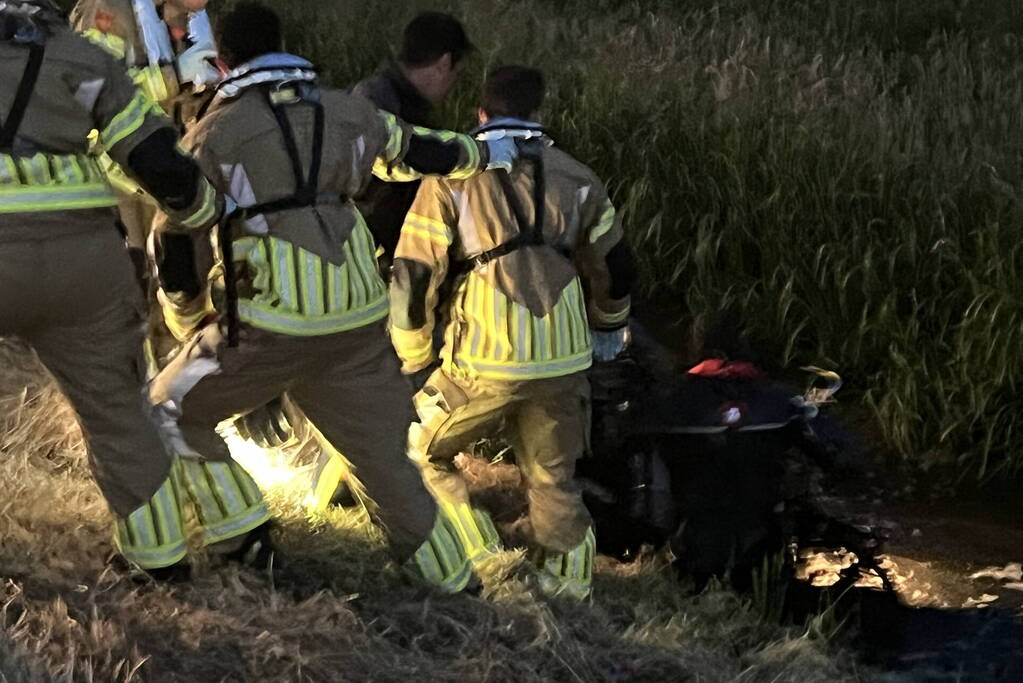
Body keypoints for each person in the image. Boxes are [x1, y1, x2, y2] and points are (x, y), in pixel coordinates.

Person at [148, 2, 518, 593]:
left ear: (222, 62)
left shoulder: (213, 133)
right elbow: (421, 151)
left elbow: (173, 236)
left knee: (165, 411)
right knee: (384, 465)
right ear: (283, 45)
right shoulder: (348, 111)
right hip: (357, 322)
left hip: (269, 321)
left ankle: (244, 538)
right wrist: (491, 152)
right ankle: (454, 584)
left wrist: (186, 316)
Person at [0, 0, 257, 580]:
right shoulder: (81, 55)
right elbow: (158, 160)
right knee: (118, 413)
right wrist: (206, 212)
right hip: (83, 259)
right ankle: (158, 558)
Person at [390, 66, 636, 599]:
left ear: (481, 113)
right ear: (537, 112)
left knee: (416, 449)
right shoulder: (579, 177)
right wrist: (609, 326)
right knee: (553, 478)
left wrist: (414, 356)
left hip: (484, 361)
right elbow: (617, 266)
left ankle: (483, 559)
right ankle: (569, 590)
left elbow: (413, 275)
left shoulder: (452, 177)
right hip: (564, 358)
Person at [71, 0, 220, 365]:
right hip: (118, 176)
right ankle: (133, 383)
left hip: (171, 170)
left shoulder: (188, 14)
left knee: (183, 279)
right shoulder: (106, 11)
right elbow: (89, 91)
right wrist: (173, 76)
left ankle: (176, 375)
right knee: (130, 290)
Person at [353, 11, 472, 267]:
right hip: (372, 257)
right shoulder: (378, 99)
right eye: (456, 75)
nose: (451, 87)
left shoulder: (400, 99)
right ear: (444, 64)